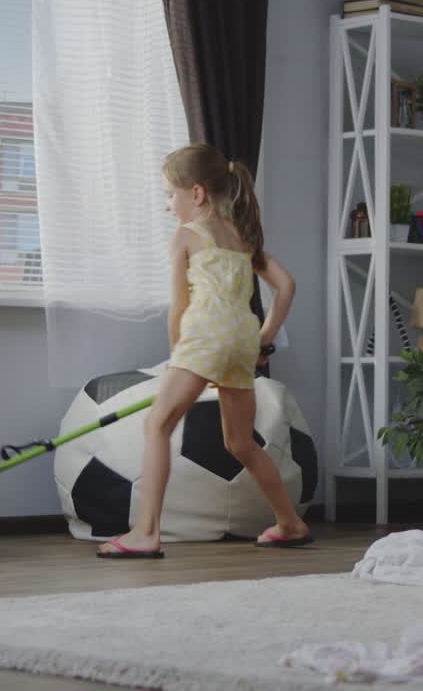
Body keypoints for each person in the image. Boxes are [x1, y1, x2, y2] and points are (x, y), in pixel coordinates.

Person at [97, 143, 312, 559]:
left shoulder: (187, 235)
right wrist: (264, 338)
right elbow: (286, 284)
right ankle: (290, 522)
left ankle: (145, 532)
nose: (167, 205)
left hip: (204, 339)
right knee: (241, 442)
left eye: (169, 195)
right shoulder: (242, 234)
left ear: (196, 194)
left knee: (157, 425)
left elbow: (178, 307)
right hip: (240, 341)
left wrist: (177, 357)